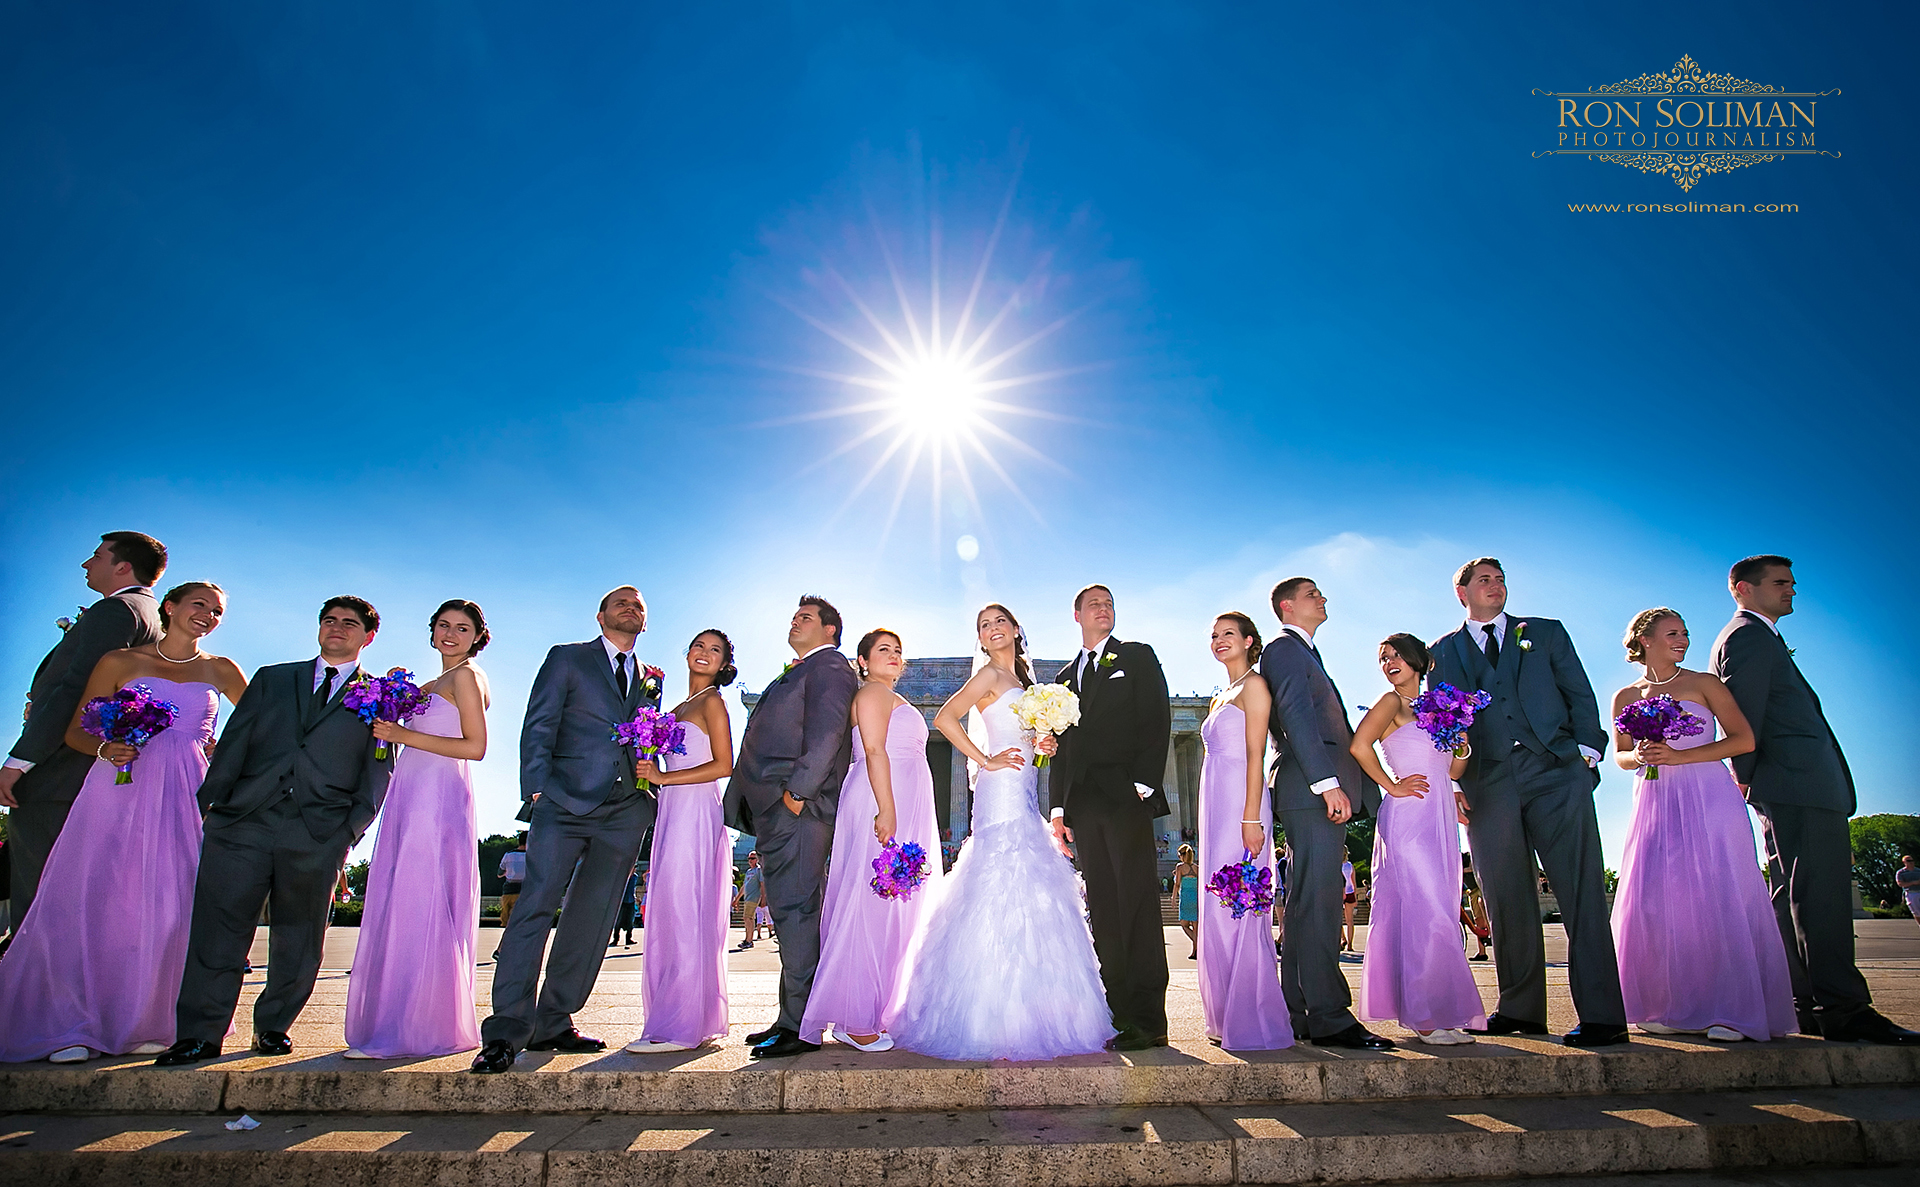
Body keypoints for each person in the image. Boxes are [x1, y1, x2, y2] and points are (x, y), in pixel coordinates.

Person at [0, 582, 244, 1063]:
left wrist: (225, 750)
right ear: (170, 607)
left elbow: (262, 723)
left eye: (216, 612)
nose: (208, 616)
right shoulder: (118, 662)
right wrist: (105, 748)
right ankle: (70, 1023)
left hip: (187, 796)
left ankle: (153, 1020)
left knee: (173, 907)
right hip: (119, 787)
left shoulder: (222, 669)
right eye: (199, 605)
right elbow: (75, 730)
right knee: (96, 898)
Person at [157, 596, 395, 1065]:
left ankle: (272, 1027)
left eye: (349, 624)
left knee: (299, 934)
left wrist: (349, 831)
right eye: (329, 621)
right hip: (243, 820)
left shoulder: (380, 696)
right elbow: (235, 740)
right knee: (217, 928)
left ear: (368, 637)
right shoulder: (272, 678)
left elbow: (379, 769)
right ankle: (200, 1034)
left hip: (318, 830)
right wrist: (213, 805)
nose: (337, 629)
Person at [1710, 556, 1919, 1045]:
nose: (1792, 591)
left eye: (1793, 583)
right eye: (1781, 583)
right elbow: (1745, 718)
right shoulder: (1747, 637)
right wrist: (1746, 777)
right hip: (1797, 785)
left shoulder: (1759, 637)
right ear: (1742, 589)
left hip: (1790, 785)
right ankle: (1843, 1010)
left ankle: (1807, 1005)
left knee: (1796, 898)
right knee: (1820, 898)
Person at [890, 603, 1113, 1060]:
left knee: (1028, 878)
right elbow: (945, 718)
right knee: (998, 872)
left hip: (1024, 785)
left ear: (1015, 629)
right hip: (999, 786)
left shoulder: (1024, 684)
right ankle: (986, 1011)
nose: (992, 630)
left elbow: (1024, 735)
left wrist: (1042, 741)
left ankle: (1034, 1009)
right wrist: (985, 758)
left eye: (999, 622)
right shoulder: (990, 675)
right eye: (983, 626)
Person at [1429, 558, 1627, 1048]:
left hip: (1556, 772)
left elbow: (1579, 692)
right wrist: (1451, 784)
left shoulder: (1544, 632)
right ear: (1462, 593)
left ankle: (1604, 1015)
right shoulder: (1441, 653)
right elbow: (1442, 724)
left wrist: (1586, 751)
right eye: (1484, 581)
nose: (1495, 587)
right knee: (1505, 898)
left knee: (1579, 891)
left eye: (1499, 580)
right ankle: (1520, 1010)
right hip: (1486, 782)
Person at [471, 586, 664, 1073]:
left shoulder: (649, 680)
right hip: (564, 800)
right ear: (600, 616)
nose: (629, 609)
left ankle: (554, 1019)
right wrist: (536, 789)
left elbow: (645, 736)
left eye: (638, 605)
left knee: (592, 917)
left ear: (645, 622)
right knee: (534, 908)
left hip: (624, 811)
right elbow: (539, 721)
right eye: (620, 602)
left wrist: (648, 790)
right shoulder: (568, 659)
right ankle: (506, 1030)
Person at [1608, 608, 1792, 1043]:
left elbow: (1743, 740)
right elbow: (1620, 754)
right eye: (1673, 633)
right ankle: (1660, 1003)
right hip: (1655, 798)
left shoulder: (1706, 684)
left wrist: (1680, 756)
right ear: (1644, 638)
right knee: (1657, 895)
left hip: (1709, 794)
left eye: (1685, 633)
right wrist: (1642, 756)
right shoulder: (1625, 696)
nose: (1683, 640)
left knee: (1718, 890)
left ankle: (1732, 1010)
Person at [343, 599, 492, 1060]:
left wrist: (401, 734)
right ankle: (402, 1016)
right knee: (405, 892)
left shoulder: (467, 676)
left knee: (422, 892)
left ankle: (414, 1026)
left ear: (477, 637)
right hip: (412, 788)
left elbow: (476, 746)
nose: (451, 634)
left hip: (438, 792)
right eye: (443, 626)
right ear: (432, 633)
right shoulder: (433, 683)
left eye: (462, 628)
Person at [1, 532, 167, 940]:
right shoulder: (151, 616)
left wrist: (20, 761)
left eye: (96, 556)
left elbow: (76, 687)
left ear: (122, 567)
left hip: (59, 770)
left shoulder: (116, 610)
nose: (86, 564)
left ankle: (34, 994)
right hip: (96, 769)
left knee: (40, 891)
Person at [724, 596, 862, 1060]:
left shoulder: (830, 667)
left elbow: (826, 732)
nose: (794, 621)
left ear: (829, 631)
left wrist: (798, 794)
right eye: (793, 616)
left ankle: (802, 1026)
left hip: (797, 808)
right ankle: (791, 1018)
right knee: (789, 913)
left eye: (806, 617)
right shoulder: (803, 668)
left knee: (798, 913)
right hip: (779, 807)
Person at [1261, 578, 1391, 1050]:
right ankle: (1330, 1016)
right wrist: (1326, 783)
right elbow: (1296, 716)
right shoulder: (1284, 649)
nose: (1323, 598)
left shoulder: (1303, 651)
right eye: (1313, 593)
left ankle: (1304, 1013)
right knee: (1317, 903)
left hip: (1313, 791)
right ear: (1287, 606)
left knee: (1307, 905)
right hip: (1312, 791)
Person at [801, 629, 945, 1052]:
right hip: (881, 800)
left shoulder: (892, 697)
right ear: (862, 661)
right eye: (884, 650)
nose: (894, 656)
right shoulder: (871, 695)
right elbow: (875, 750)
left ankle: (873, 1010)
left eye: (899, 650)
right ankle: (854, 1018)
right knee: (867, 906)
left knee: (890, 908)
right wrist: (888, 808)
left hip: (900, 801)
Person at [1047, 584, 1173, 1051]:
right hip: (1084, 805)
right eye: (1095, 604)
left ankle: (1148, 1018)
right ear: (1076, 614)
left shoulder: (1136, 657)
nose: (1104, 609)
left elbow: (1156, 719)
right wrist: (1058, 807)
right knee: (1104, 907)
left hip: (1125, 796)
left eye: (1110, 603)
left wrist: (1142, 784)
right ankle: (1117, 1012)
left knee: (1136, 903)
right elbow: (1063, 749)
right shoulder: (1062, 679)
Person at [1348, 632, 1486, 1045]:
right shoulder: (1391, 702)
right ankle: (1426, 1017)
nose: (1389, 663)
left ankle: (1436, 1010)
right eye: (1383, 658)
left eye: (1396, 656)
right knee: (1427, 906)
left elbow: (1455, 771)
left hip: (1440, 814)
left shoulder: (1440, 708)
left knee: (1440, 905)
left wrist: (1461, 743)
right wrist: (1391, 786)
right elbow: (1359, 745)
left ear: (1419, 661)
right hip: (1407, 816)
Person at [625, 629, 737, 1053]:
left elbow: (724, 764)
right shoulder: (674, 707)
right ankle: (684, 1015)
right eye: (698, 646)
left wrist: (663, 776)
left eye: (715, 650)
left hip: (694, 809)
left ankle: (679, 1027)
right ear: (686, 652)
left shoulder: (712, 701)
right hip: (672, 809)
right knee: (673, 905)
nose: (704, 653)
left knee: (684, 905)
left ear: (724, 663)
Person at [1195, 611, 1291, 1051]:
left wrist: (1251, 816)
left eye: (1229, 634)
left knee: (1241, 904)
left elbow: (1257, 753)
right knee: (1218, 906)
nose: (1219, 641)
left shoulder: (1254, 685)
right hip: (1216, 804)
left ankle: (1250, 1016)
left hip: (1241, 803)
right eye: (1214, 636)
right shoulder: (1220, 696)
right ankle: (1224, 1013)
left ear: (1250, 640)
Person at [1462, 854, 1491, 961]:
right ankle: (1482, 952)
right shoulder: (1458, 858)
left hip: (1480, 888)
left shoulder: (1470, 856)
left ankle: (1490, 933)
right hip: (1472, 891)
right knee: (1478, 922)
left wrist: (1460, 869)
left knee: (1482, 904)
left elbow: (1473, 868)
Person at [734, 852, 766, 949]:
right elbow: (744, 887)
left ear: (757, 859)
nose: (750, 860)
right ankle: (748, 939)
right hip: (748, 898)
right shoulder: (748, 871)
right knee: (748, 918)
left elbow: (762, 884)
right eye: (749, 859)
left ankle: (749, 940)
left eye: (752, 858)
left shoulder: (758, 870)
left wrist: (763, 898)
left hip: (753, 897)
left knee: (747, 918)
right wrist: (737, 899)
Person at [1173, 845, 1199, 959]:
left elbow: (1177, 884)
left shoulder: (1180, 867)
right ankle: (1195, 951)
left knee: (1184, 924)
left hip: (1186, 897)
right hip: (1196, 898)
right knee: (1195, 926)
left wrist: (1173, 897)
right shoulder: (1196, 868)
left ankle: (1197, 941)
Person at [498, 838, 527, 930]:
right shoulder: (532, 856)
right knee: (519, 921)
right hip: (523, 891)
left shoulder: (508, 855)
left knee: (505, 920)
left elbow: (500, 873)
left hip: (508, 890)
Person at [613, 865, 640, 948]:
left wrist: (635, 897)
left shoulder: (635, 877)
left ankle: (628, 939)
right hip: (622, 901)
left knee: (630, 921)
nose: (634, 869)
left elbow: (633, 888)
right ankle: (615, 940)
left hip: (630, 901)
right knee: (618, 921)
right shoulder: (623, 877)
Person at [1340, 860, 1358, 952]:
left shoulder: (1335, 864)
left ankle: (1343, 939)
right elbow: (1353, 882)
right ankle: (1350, 944)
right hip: (1350, 891)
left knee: (1338, 920)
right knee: (1349, 921)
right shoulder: (1350, 866)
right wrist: (1355, 897)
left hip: (1339, 892)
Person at [1899, 857, 1920, 929]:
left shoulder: (1918, 871)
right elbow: (1900, 883)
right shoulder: (1901, 873)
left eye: (1912, 860)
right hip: (1911, 893)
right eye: (1908, 861)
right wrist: (1913, 883)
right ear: (1904, 862)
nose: (1911, 862)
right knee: (1916, 911)